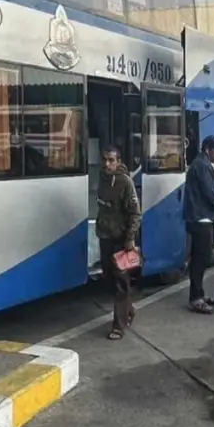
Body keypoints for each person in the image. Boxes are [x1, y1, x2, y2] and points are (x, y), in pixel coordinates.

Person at [94, 146, 141, 340]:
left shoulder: (125, 182)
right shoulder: (103, 178)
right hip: (105, 236)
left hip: (120, 239)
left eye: (111, 160)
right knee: (109, 279)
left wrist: (130, 237)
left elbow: (135, 213)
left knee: (121, 283)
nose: (107, 164)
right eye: (105, 159)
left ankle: (119, 325)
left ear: (118, 161)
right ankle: (128, 309)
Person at [183, 135, 214, 314]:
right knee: (202, 258)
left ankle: (198, 293)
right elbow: (210, 192)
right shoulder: (202, 166)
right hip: (201, 217)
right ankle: (196, 298)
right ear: (208, 149)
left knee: (198, 259)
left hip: (198, 216)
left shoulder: (200, 163)